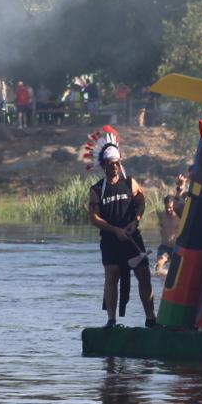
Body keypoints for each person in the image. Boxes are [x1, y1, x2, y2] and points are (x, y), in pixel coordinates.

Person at [85, 131, 156, 328]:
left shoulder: (130, 183)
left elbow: (141, 203)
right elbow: (94, 218)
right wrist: (115, 230)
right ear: (104, 165)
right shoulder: (96, 190)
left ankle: (151, 319)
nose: (115, 167)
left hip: (132, 237)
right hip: (111, 240)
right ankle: (111, 321)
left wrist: (136, 221)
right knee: (112, 275)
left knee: (144, 274)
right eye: (111, 164)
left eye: (117, 163)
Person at [154, 171, 188, 276]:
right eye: (167, 207)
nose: (169, 209)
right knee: (158, 269)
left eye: (170, 207)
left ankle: (170, 276)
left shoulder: (179, 215)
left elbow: (180, 198)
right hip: (164, 247)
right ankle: (164, 278)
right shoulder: (161, 215)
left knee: (178, 272)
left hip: (176, 248)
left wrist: (181, 186)